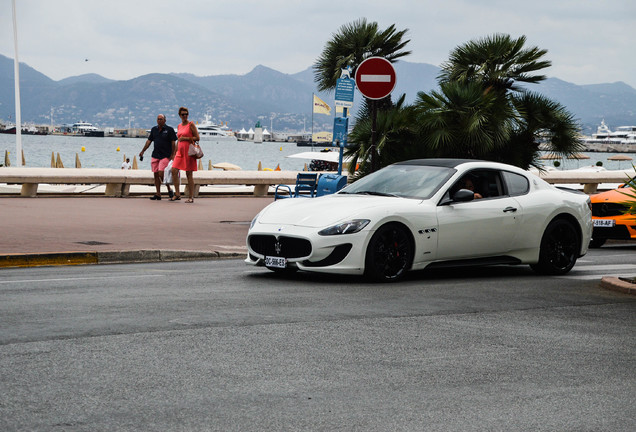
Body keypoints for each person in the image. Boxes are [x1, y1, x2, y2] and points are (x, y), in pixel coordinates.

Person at [139, 114, 177, 200]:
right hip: (155, 154)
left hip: (165, 155)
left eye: (161, 119)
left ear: (165, 120)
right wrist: (142, 151)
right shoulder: (154, 129)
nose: (159, 120)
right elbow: (149, 141)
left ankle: (169, 188)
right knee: (156, 174)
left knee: (161, 173)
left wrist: (173, 154)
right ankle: (158, 193)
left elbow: (173, 142)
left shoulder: (169, 130)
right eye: (158, 119)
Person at [170, 107, 200, 203]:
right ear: (179, 115)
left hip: (189, 152)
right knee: (174, 170)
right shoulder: (179, 126)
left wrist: (186, 138)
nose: (185, 116)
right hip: (180, 152)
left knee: (189, 174)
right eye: (183, 114)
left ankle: (191, 197)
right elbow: (179, 140)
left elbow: (197, 138)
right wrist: (174, 152)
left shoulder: (191, 125)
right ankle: (177, 194)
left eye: (186, 114)